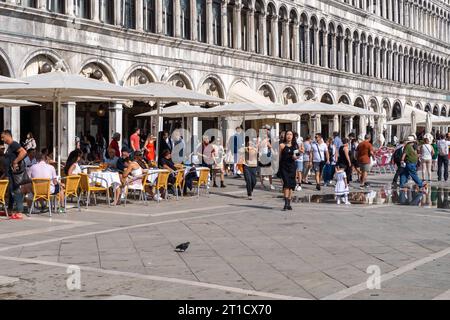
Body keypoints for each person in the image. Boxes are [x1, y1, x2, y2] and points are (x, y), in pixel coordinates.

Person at [1, 130, 27, 214]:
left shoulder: (14, 144)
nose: (2, 139)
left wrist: (15, 161)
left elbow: (23, 152)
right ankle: (10, 209)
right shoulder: (10, 146)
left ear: (8, 136)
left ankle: (19, 210)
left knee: (15, 190)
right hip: (9, 173)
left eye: (3, 137)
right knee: (11, 191)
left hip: (14, 174)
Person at [279, 130, 298, 211]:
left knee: (291, 186)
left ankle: (289, 203)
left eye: (290, 134)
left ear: (293, 136)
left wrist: (296, 157)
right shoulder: (282, 145)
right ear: (285, 136)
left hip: (292, 167)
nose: (289, 136)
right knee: (286, 184)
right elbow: (279, 157)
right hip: (284, 167)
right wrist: (277, 167)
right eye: (287, 134)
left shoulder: (295, 146)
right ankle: (286, 204)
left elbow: (297, 156)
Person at [259, 125, 274, 190]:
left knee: (264, 171)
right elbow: (271, 147)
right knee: (267, 171)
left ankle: (264, 184)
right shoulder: (264, 140)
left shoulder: (261, 139)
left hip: (263, 155)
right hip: (264, 156)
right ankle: (268, 184)